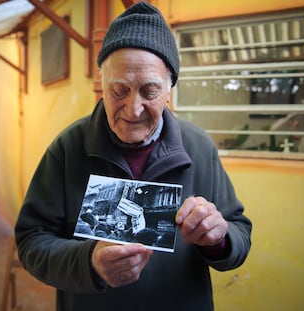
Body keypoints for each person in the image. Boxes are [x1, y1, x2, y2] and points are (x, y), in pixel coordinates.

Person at [15, 2, 252, 311]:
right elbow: (32, 241)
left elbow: (239, 232)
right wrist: (88, 261)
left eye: (149, 91)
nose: (133, 108)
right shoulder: (68, 149)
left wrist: (219, 238)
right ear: (101, 84)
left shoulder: (199, 148)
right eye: (119, 90)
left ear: (169, 89)